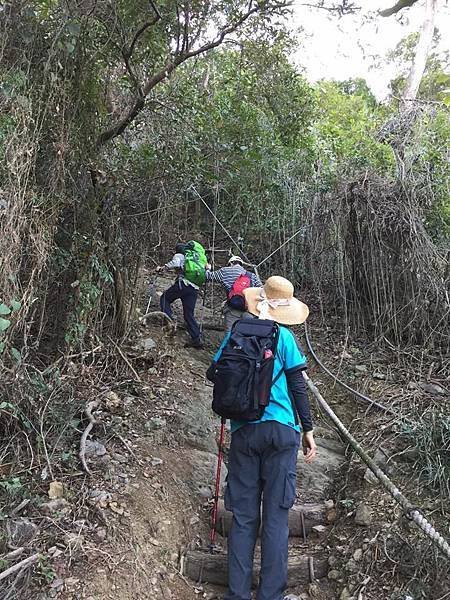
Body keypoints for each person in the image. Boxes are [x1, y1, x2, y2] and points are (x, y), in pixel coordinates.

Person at [212, 276, 317, 600]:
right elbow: (298, 386)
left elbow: (213, 373)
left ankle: (238, 594)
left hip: (245, 430)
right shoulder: (284, 337)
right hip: (282, 432)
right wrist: (308, 430)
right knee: (275, 517)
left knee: (243, 518)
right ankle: (271, 594)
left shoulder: (236, 333)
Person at [156, 243, 203, 349]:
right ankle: (196, 338)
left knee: (165, 298)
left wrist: (162, 268)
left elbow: (175, 263)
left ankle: (169, 323)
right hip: (194, 288)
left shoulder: (180, 255)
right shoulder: (196, 258)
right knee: (188, 314)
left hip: (183, 284)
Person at [205, 255, 262, 330]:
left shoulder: (224, 271)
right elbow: (262, 291)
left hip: (232, 308)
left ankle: (228, 341)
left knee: (230, 332)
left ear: (231, 263)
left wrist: (208, 269)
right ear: (241, 264)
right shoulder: (252, 276)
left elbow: (208, 276)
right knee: (245, 334)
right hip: (248, 310)